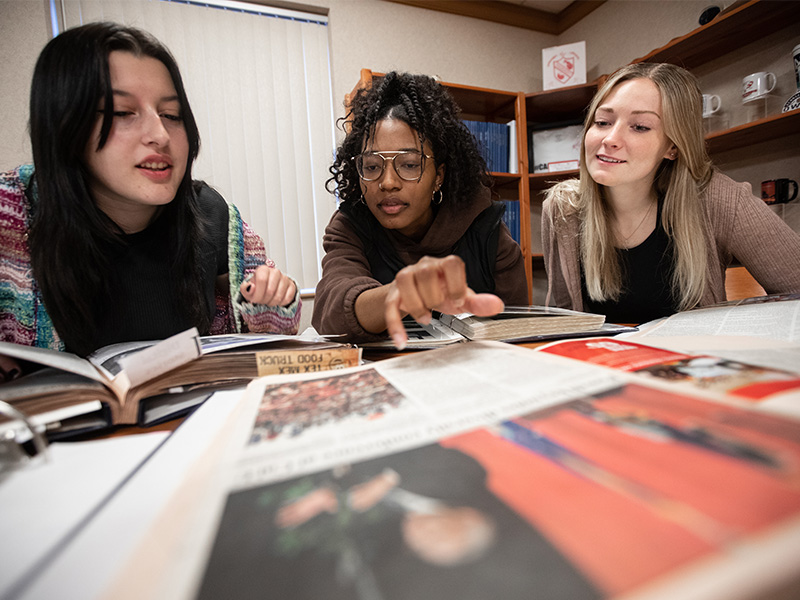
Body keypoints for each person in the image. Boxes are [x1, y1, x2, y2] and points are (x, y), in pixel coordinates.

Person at [0, 22, 300, 366]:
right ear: (66, 125)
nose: (159, 134)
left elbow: (270, 333)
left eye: (172, 115)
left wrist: (272, 298)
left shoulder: (210, 213)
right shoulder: (12, 212)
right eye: (123, 113)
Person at [542, 62, 800, 325]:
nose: (610, 139)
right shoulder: (563, 208)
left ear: (673, 147)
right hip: (603, 362)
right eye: (602, 122)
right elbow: (563, 318)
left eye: (640, 126)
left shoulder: (719, 198)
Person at [312, 72, 528, 348]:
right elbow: (331, 310)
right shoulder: (351, 225)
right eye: (372, 166)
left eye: (410, 164)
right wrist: (399, 293)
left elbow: (521, 332)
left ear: (438, 176)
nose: (388, 182)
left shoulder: (486, 229)